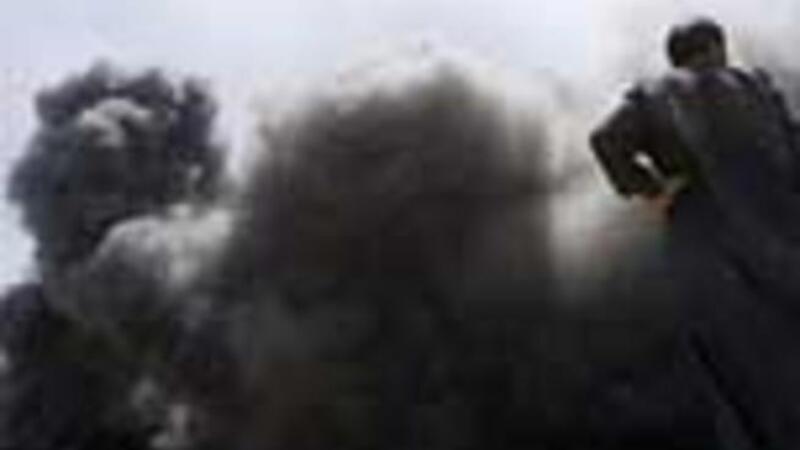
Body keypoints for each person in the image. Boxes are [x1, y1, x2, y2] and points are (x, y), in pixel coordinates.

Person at [590, 16, 800, 449]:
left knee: (733, 370)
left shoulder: (652, 93)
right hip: (779, 241)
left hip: (702, 247)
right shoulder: (759, 86)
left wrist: (654, 191)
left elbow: (606, 140)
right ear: (718, 46)